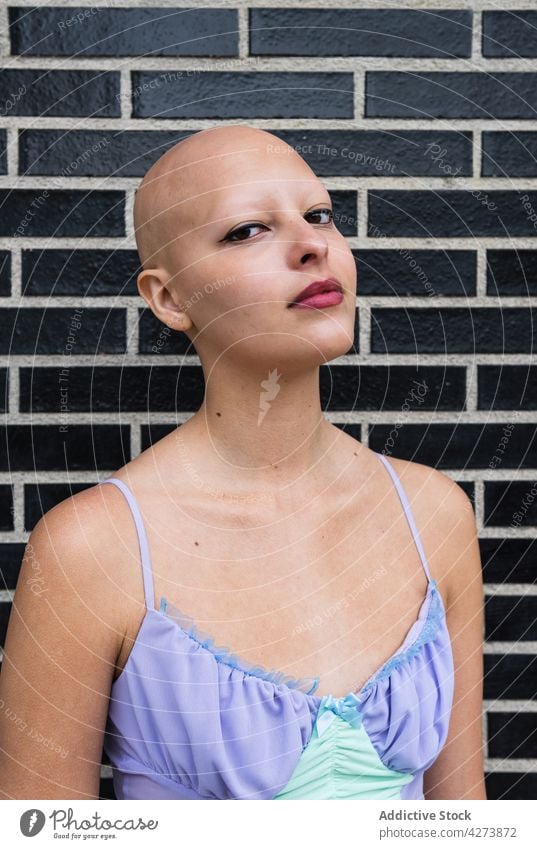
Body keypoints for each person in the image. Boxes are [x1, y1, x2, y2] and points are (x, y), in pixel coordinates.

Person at [0, 124, 486, 800]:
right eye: (247, 230)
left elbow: (462, 818)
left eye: (318, 215)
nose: (313, 244)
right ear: (168, 298)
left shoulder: (434, 514)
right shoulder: (91, 548)